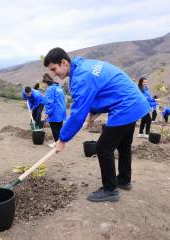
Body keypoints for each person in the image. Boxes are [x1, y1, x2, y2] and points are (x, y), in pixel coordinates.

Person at [44, 47, 150, 202]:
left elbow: (77, 114)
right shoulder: (85, 66)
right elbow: (102, 90)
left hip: (125, 107)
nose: (54, 74)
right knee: (123, 145)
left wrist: (62, 139)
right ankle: (124, 180)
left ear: (64, 62)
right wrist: (93, 113)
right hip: (135, 103)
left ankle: (110, 190)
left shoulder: (81, 77)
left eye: (54, 69)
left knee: (103, 148)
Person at [42, 73, 66, 148]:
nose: (44, 85)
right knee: (59, 128)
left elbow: (49, 102)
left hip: (55, 112)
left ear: (46, 82)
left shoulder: (50, 89)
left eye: (44, 84)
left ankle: (57, 143)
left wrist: (47, 113)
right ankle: (61, 143)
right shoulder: (58, 87)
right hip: (61, 110)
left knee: (54, 128)